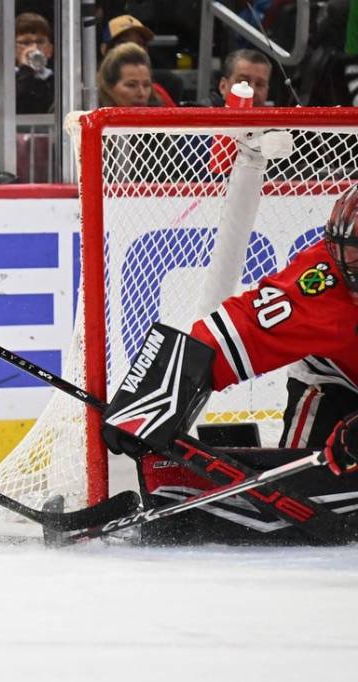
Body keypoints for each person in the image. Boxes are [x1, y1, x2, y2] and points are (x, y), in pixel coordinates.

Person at [102, 186, 358, 543]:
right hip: (338, 381)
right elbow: (236, 333)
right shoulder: (320, 283)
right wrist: (152, 401)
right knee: (301, 500)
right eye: (345, 251)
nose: (348, 264)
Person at [101, 14, 177, 106]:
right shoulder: (86, 98)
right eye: (124, 43)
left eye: (140, 43)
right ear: (104, 49)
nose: (134, 48)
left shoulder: (159, 95)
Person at [97, 42, 165, 107]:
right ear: (109, 87)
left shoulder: (162, 111)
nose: (141, 93)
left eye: (146, 85)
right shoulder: (90, 116)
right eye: (131, 85)